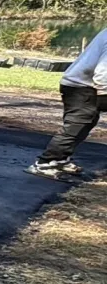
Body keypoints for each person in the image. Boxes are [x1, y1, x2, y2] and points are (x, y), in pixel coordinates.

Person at [27, 26, 107, 179]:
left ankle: (61, 159)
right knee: (76, 126)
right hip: (82, 86)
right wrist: (104, 94)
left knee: (85, 123)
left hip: (83, 84)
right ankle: (44, 163)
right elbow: (104, 71)